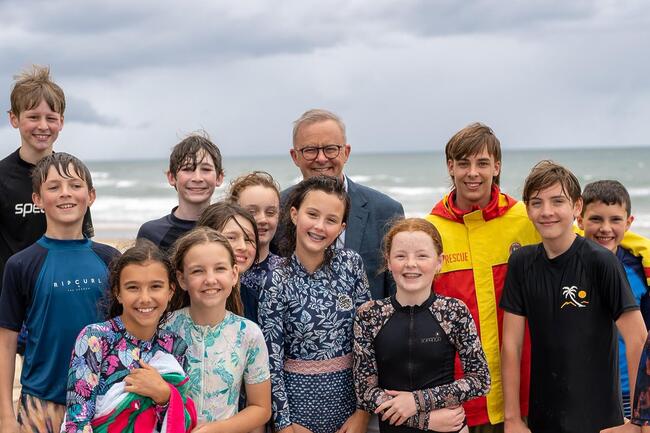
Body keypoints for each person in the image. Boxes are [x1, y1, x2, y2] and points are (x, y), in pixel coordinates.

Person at [500, 160, 647, 433]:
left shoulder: (601, 262)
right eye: (537, 202)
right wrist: (512, 418)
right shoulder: (521, 263)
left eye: (558, 201)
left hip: (601, 421)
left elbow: (638, 338)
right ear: (527, 209)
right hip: (542, 419)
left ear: (576, 207)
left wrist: (639, 420)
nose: (547, 212)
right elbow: (511, 345)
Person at [424, 123, 539, 431]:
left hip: (526, 396)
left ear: (496, 166)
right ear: (451, 167)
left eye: (482, 163)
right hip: (460, 404)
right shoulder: (430, 230)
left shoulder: (526, 219)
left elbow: (582, 241)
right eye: (463, 163)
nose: (472, 172)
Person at [0, 153, 119, 433]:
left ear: (90, 195)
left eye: (75, 186)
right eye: (53, 187)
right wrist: (5, 414)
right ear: (37, 199)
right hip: (41, 404)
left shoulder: (111, 259)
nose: (65, 193)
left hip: (104, 400)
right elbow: (6, 342)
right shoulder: (21, 264)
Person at [354, 217, 490, 433]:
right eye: (400, 256)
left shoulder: (454, 311)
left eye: (422, 256)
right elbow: (365, 391)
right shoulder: (370, 315)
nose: (411, 264)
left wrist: (416, 401)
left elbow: (480, 379)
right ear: (388, 261)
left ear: (439, 262)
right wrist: (423, 420)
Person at [259, 175, 371, 433]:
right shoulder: (275, 279)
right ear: (295, 214)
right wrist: (284, 425)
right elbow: (271, 360)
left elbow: (367, 344)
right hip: (296, 411)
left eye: (331, 220)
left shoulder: (351, 265)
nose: (320, 226)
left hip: (348, 409)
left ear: (342, 227)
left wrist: (362, 414)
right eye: (312, 214)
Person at [64, 240, 197, 432]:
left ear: (170, 291)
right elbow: (77, 421)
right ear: (118, 293)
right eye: (133, 287)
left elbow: (180, 420)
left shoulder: (175, 346)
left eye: (156, 286)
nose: (144, 298)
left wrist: (163, 395)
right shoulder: (95, 339)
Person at [278, 108, 404, 300]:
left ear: (346, 152)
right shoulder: (277, 208)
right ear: (295, 156)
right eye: (310, 150)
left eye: (330, 149)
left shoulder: (386, 211)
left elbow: (397, 292)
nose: (321, 158)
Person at [0, 65, 94, 301]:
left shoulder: (72, 178)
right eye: (33, 117)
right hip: (13, 297)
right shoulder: (2, 176)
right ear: (14, 118)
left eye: (50, 118)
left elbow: (83, 241)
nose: (43, 126)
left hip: (63, 293)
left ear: (61, 122)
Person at [165, 227, 271, 430]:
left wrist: (216, 429)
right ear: (181, 279)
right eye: (198, 271)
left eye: (220, 269)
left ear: (234, 274)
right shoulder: (165, 330)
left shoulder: (248, 333)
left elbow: (261, 408)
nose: (210, 279)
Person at [578, 179, 650, 418]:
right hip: (583, 391)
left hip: (633, 392)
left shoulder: (640, 269)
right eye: (596, 219)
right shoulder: (566, 266)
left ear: (629, 222)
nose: (605, 228)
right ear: (579, 219)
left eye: (615, 220)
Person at [137, 132, 224, 251]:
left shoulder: (228, 229)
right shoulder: (151, 233)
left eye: (206, 169)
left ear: (219, 177)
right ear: (172, 177)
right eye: (187, 169)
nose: (197, 178)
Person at [196, 201, 259, 322]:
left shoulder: (254, 298)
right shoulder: (193, 291)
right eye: (231, 237)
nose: (242, 246)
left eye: (248, 239)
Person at [228, 171, 283, 309]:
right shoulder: (219, 270)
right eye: (252, 212)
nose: (262, 220)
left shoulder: (288, 271)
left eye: (270, 212)